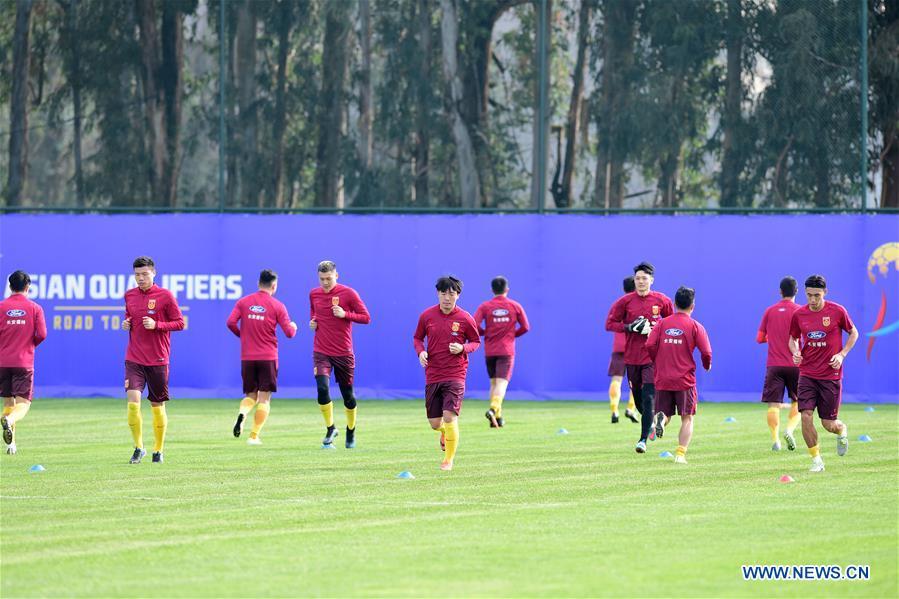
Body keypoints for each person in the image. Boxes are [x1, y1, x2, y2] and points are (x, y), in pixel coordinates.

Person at [789, 275, 858, 473]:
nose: (812, 300)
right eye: (809, 295)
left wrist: (842, 355)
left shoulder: (837, 311)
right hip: (807, 374)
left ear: (825, 292)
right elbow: (793, 339)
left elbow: (854, 333)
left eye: (817, 295)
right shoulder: (799, 314)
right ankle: (816, 460)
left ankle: (841, 430)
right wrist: (795, 352)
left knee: (828, 424)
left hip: (830, 376)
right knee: (805, 416)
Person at [413, 276, 480, 471]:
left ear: (458, 295)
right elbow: (417, 338)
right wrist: (421, 352)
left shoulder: (465, 318)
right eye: (443, 293)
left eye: (451, 293)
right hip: (433, 374)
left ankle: (448, 460)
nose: (447, 298)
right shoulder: (427, 316)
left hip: (456, 374)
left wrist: (462, 348)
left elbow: (476, 342)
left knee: (450, 417)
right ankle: (444, 432)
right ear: (438, 294)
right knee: (435, 423)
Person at [122, 256, 185, 464]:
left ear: (153, 273)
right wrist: (127, 323)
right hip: (134, 358)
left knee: (157, 405)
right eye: (137, 275)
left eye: (144, 274)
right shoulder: (129, 295)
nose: (140, 278)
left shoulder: (165, 296)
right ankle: (138, 447)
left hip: (158, 359)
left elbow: (179, 323)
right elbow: (129, 316)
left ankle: (158, 450)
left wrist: (157, 324)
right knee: (133, 403)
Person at [605, 261, 674, 453]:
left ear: (652, 280)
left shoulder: (662, 300)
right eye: (638, 278)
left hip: (652, 358)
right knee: (639, 400)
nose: (641, 281)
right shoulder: (625, 302)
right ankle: (654, 420)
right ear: (634, 281)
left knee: (649, 396)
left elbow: (672, 323)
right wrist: (630, 327)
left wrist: (657, 331)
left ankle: (642, 440)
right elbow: (610, 324)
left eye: (644, 278)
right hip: (632, 358)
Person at [227, 269, 297, 445]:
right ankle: (253, 436)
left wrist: (243, 335)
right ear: (274, 286)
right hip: (268, 357)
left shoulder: (243, 302)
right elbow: (289, 333)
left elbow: (230, 322)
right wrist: (294, 327)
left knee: (251, 395)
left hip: (248, 357)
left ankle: (243, 413)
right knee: (264, 398)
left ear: (258, 283)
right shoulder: (278, 306)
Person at [646, 286, 712, 464]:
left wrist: (657, 360)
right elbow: (706, 352)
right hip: (684, 380)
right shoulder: (695, 326)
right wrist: (707, 365)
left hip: (663, 377)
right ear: (693, 306)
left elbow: (650, 345)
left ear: (674, 304)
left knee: (664, 413)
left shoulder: (662, 323)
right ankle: (680, 454)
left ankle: (660, 421)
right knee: (687, 418)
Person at [309, 261, 371, 449]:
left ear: (336, 276)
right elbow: (314, 313)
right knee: (322, 388)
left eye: (328, 278)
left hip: (343, 352)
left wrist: (345, 314)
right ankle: (330, 428)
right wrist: (313, 322)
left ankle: (351, 430)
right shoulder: (314, 294)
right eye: (322, 279)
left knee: (348, 396)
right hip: (321, 351)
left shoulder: (349, 293)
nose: (325, 283)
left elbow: (366, 318)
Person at [0, 271, 48, 455]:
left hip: (3, 362)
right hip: (23, 361)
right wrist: (29, 344)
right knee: (24, 403)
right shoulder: (35, 308)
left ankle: (10, 445)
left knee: (8, 401)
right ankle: (10, 420)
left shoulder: (1, 307)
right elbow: (42, 334)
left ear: (10, 286)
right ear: (27, 287)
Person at [473, 276, 530, 428]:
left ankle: (497, 418)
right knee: (502, 384)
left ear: (492, 290)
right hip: (506, 350)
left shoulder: (485, 306)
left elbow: (474, 325)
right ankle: (493, 409)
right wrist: (511, 335)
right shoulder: (515, 306)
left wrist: (486, 333)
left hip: (490, 350)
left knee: (493, 383)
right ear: (507, 289)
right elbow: (526, 327)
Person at [757, 276, 802, 451]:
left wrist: (774, 337)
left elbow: (760, 338)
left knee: (773, 404)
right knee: (798, 402)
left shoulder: (770, 311)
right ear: (796, 291)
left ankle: (775, 440)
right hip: (795, 364)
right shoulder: (800, 311)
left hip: (774, 365)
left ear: (780, 292)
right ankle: (789, 430)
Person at [608, 276, 639, 425]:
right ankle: (631, 408)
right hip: (635, 346)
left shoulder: (617, 304)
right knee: (636, 381)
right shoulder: (639, 304)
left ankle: (614, 409)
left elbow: (610, 323)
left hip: (619, 346)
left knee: (616, 379)